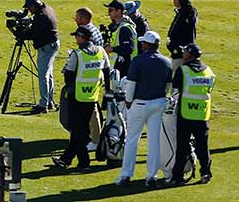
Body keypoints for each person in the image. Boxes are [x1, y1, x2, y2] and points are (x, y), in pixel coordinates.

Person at [117, 30, 174, 187]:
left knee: (132, 140)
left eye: (143, 43)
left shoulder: (138, 61)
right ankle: (152, 176)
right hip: (158, 104)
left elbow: (132, 84)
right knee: (154, 141)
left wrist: (128, 101)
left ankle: (126, 174)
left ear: (147, 45)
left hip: (139, 104)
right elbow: (168, 86)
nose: (141, 44)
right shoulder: (166, 61)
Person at [53, 24, 108, 170]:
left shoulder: (77, 54)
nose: (76, 39)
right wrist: (107, 91)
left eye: (77, 36)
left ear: (81, 37)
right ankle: (66, 159)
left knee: (79, 132)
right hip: (92, 97)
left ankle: (84, 163)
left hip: (76, 98)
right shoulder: (101, 51)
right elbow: (107, 70)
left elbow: (68, 74)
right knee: (80, 130)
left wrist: (69, 89)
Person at [168, 43, 213, 186]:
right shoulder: (208, 71)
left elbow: (174, 92)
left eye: (185, 52)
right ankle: (205, 173)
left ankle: (178, 176)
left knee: (182, 147)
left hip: (185, 115)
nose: (183, 54)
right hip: (202, 115)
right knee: (203, 147)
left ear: (190, 55)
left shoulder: (183, 70)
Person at [25, 0, 59, 113]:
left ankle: (43, 104)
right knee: (48, 74)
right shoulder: (47, 8)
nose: (29, 10)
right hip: (53, 44)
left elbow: (32, 34)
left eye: (29, 7)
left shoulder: (41, 16)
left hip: (47, 46)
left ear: (34, 5)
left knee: (43, 75)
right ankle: (49, 102)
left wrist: (19, 33)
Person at [167, 0, 197, 67]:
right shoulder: (181, 12)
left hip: (184, 56)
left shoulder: (190, 12)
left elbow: (187, 5)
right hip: (177, 54)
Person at [107, 0, 138, 77]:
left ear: (119, 11)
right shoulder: (118, 26)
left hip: (125, 67)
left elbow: (128, 48)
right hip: (118, 66)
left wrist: (112, 49)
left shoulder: (124, 28)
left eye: (111, 10)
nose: (108, 13)